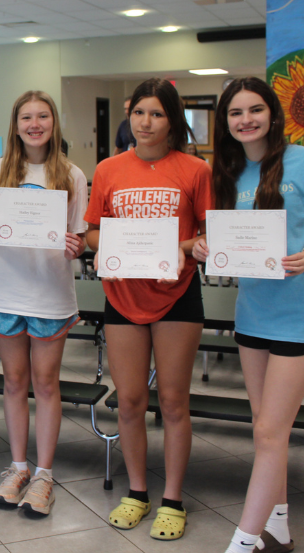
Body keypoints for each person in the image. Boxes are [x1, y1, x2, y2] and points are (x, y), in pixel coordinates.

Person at [190, 77, 304, 553]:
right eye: (235, 113)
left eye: (254, 110)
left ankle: (244, 542)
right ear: (225, 122)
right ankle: (280, 528)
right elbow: (225, 238)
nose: (245, 119)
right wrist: (208, 247)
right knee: (266, 429)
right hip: (252, 316)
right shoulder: (226, 171)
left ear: (272, 113)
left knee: (271, 432)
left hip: (301, 316)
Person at [84, 78, 212, 540]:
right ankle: (137, 492)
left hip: (177, 294)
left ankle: (173, 499)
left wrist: (181, 247)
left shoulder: (195, 170)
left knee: (174, 403)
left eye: (157, 114)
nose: (146, 122)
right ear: (129, 115)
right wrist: (105, 247)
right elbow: (94, 233)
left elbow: (206, 234)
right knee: (131, 400)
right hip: (122, 294)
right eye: (139, 112)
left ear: (173, 119)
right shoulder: (108, 169)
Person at [0, 91, 87, 514]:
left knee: (47, 384)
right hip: (7, 291)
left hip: (51, 294)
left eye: (42, 116)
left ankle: (44, 475)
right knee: (14, 382)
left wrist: (77, 246)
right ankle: (18, 466)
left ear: (53, 123)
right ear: (15, 124)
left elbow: (78, 237)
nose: (34, 124)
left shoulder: (72, 174)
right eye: (26, 117)